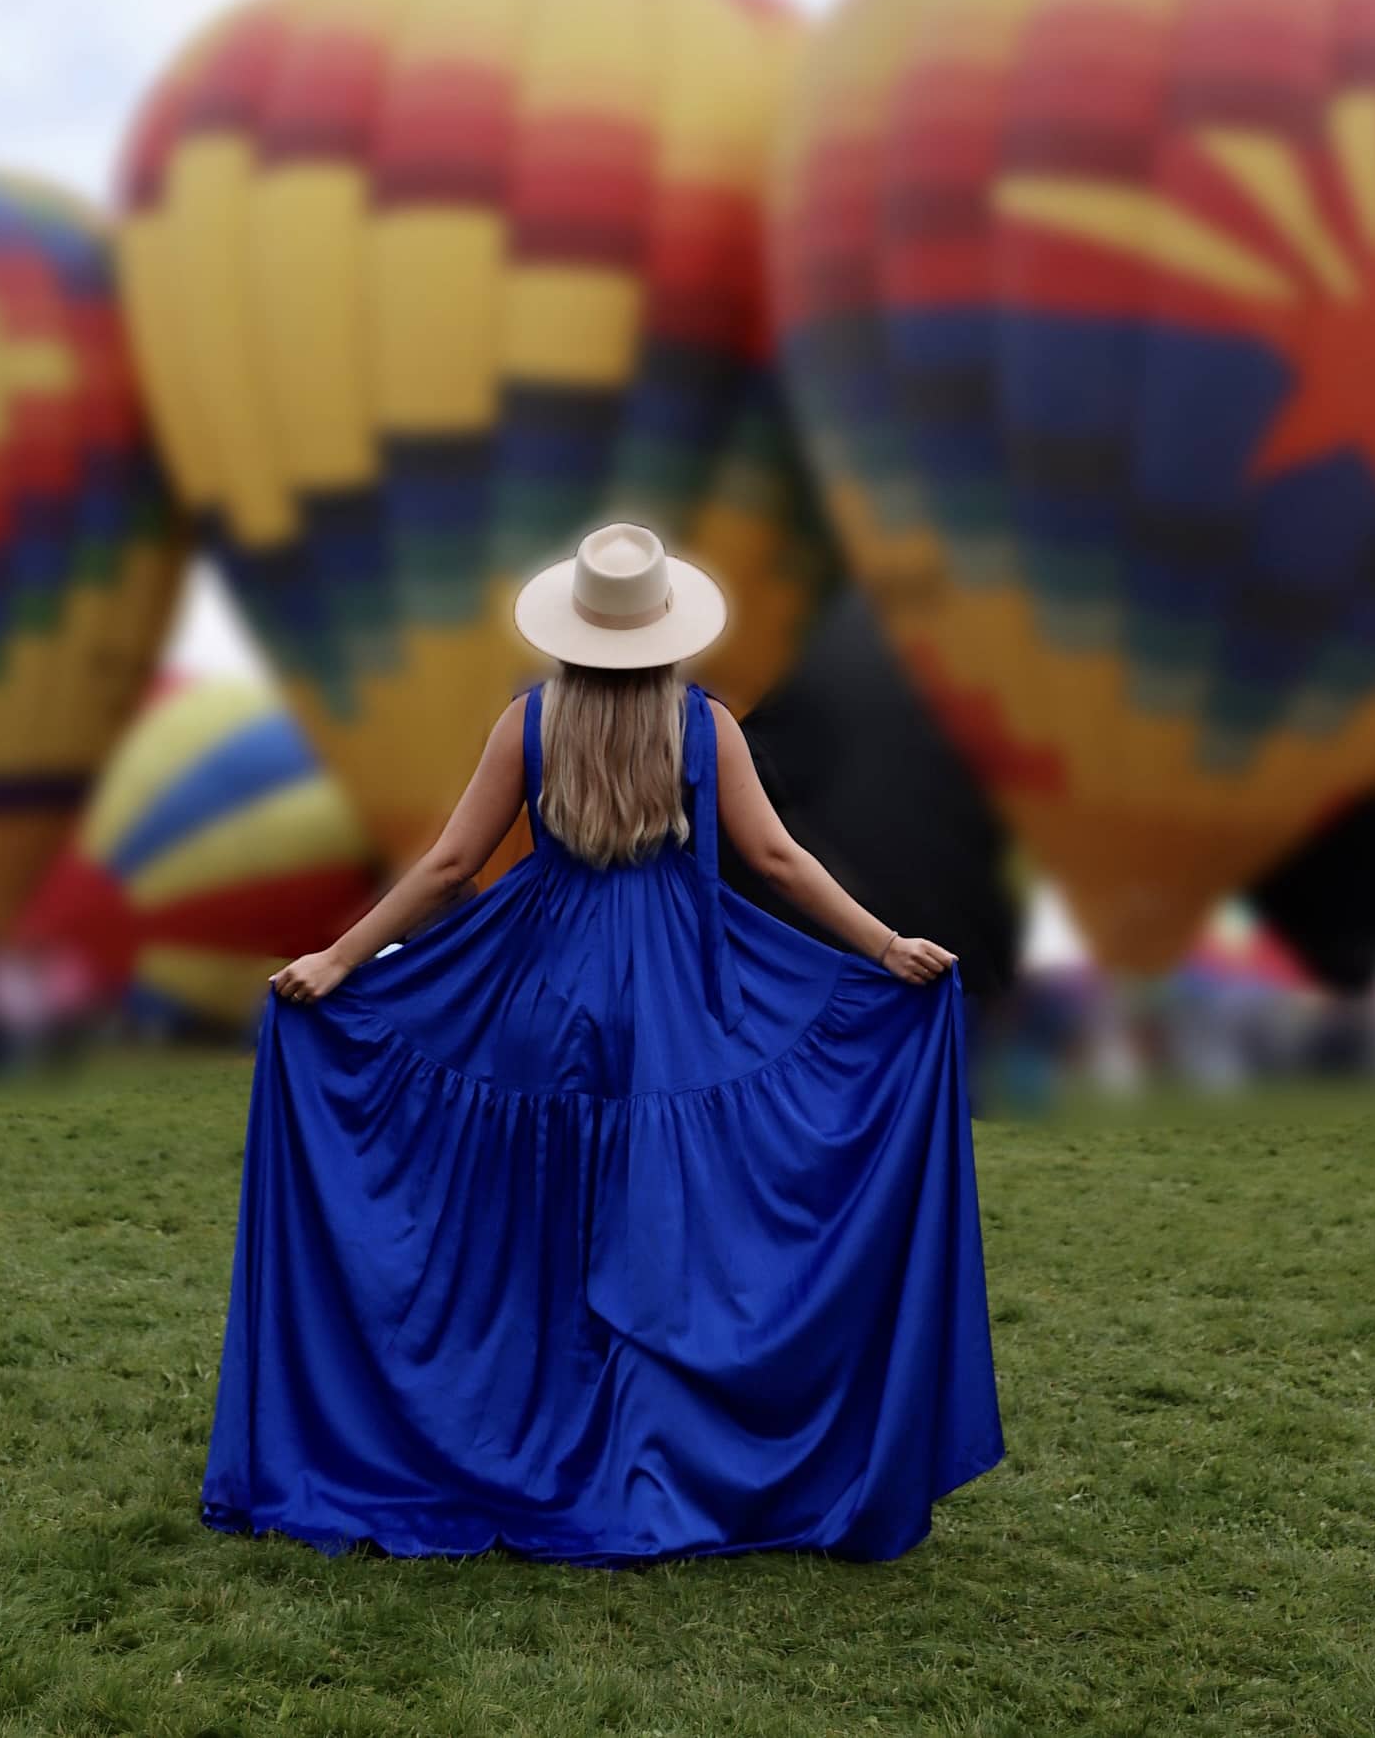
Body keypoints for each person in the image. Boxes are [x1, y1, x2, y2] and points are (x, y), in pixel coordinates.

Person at [200, 522, 1005, 1566]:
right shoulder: (704, 727)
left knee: (542, 1229)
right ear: (663, 628)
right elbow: (776, 858)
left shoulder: (528, 722)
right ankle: (647, 1465)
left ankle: (530, 1436)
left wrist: (342, 959)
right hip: (679, 1000)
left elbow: (449, 867)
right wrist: (884, 943)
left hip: (539, 990)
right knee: (659, 1235)